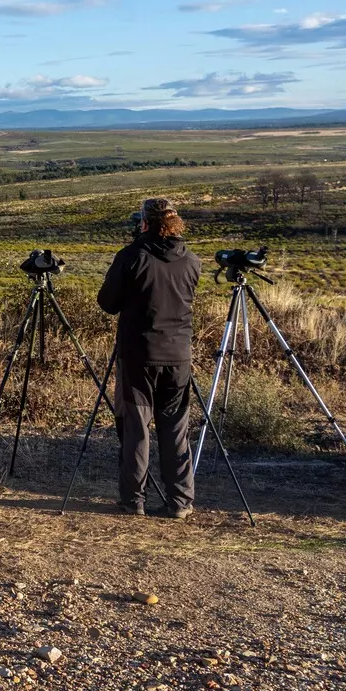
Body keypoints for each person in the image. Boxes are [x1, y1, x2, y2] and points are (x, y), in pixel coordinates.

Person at [96, 197, 201, 518]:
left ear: (144, 223)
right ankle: (180, 502)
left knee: (136, 429)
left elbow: (108, 302)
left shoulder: (131, 257)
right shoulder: (191, 261)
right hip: (179, 356)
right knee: (174, 429)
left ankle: (133, 500)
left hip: (138, 356)